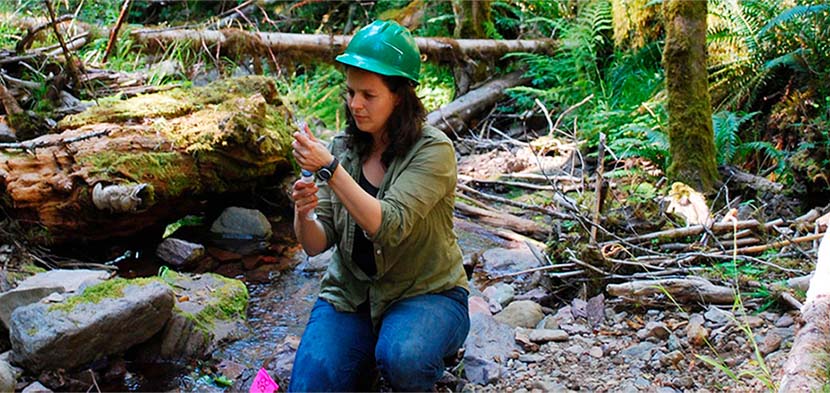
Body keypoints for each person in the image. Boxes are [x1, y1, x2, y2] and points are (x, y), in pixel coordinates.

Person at [288, 19, 470, 392]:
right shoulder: (343, 148)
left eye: (368, 95)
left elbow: (388, 223)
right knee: (309, 384)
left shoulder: (434, 150)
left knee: (404, 358)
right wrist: (303, 212)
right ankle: (365, 359)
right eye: (351, 92)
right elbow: (315, 244)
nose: (355, 104)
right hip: (352, 294)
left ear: (399, 95)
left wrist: (329, 169)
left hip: (425, 292)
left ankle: (421, 353)